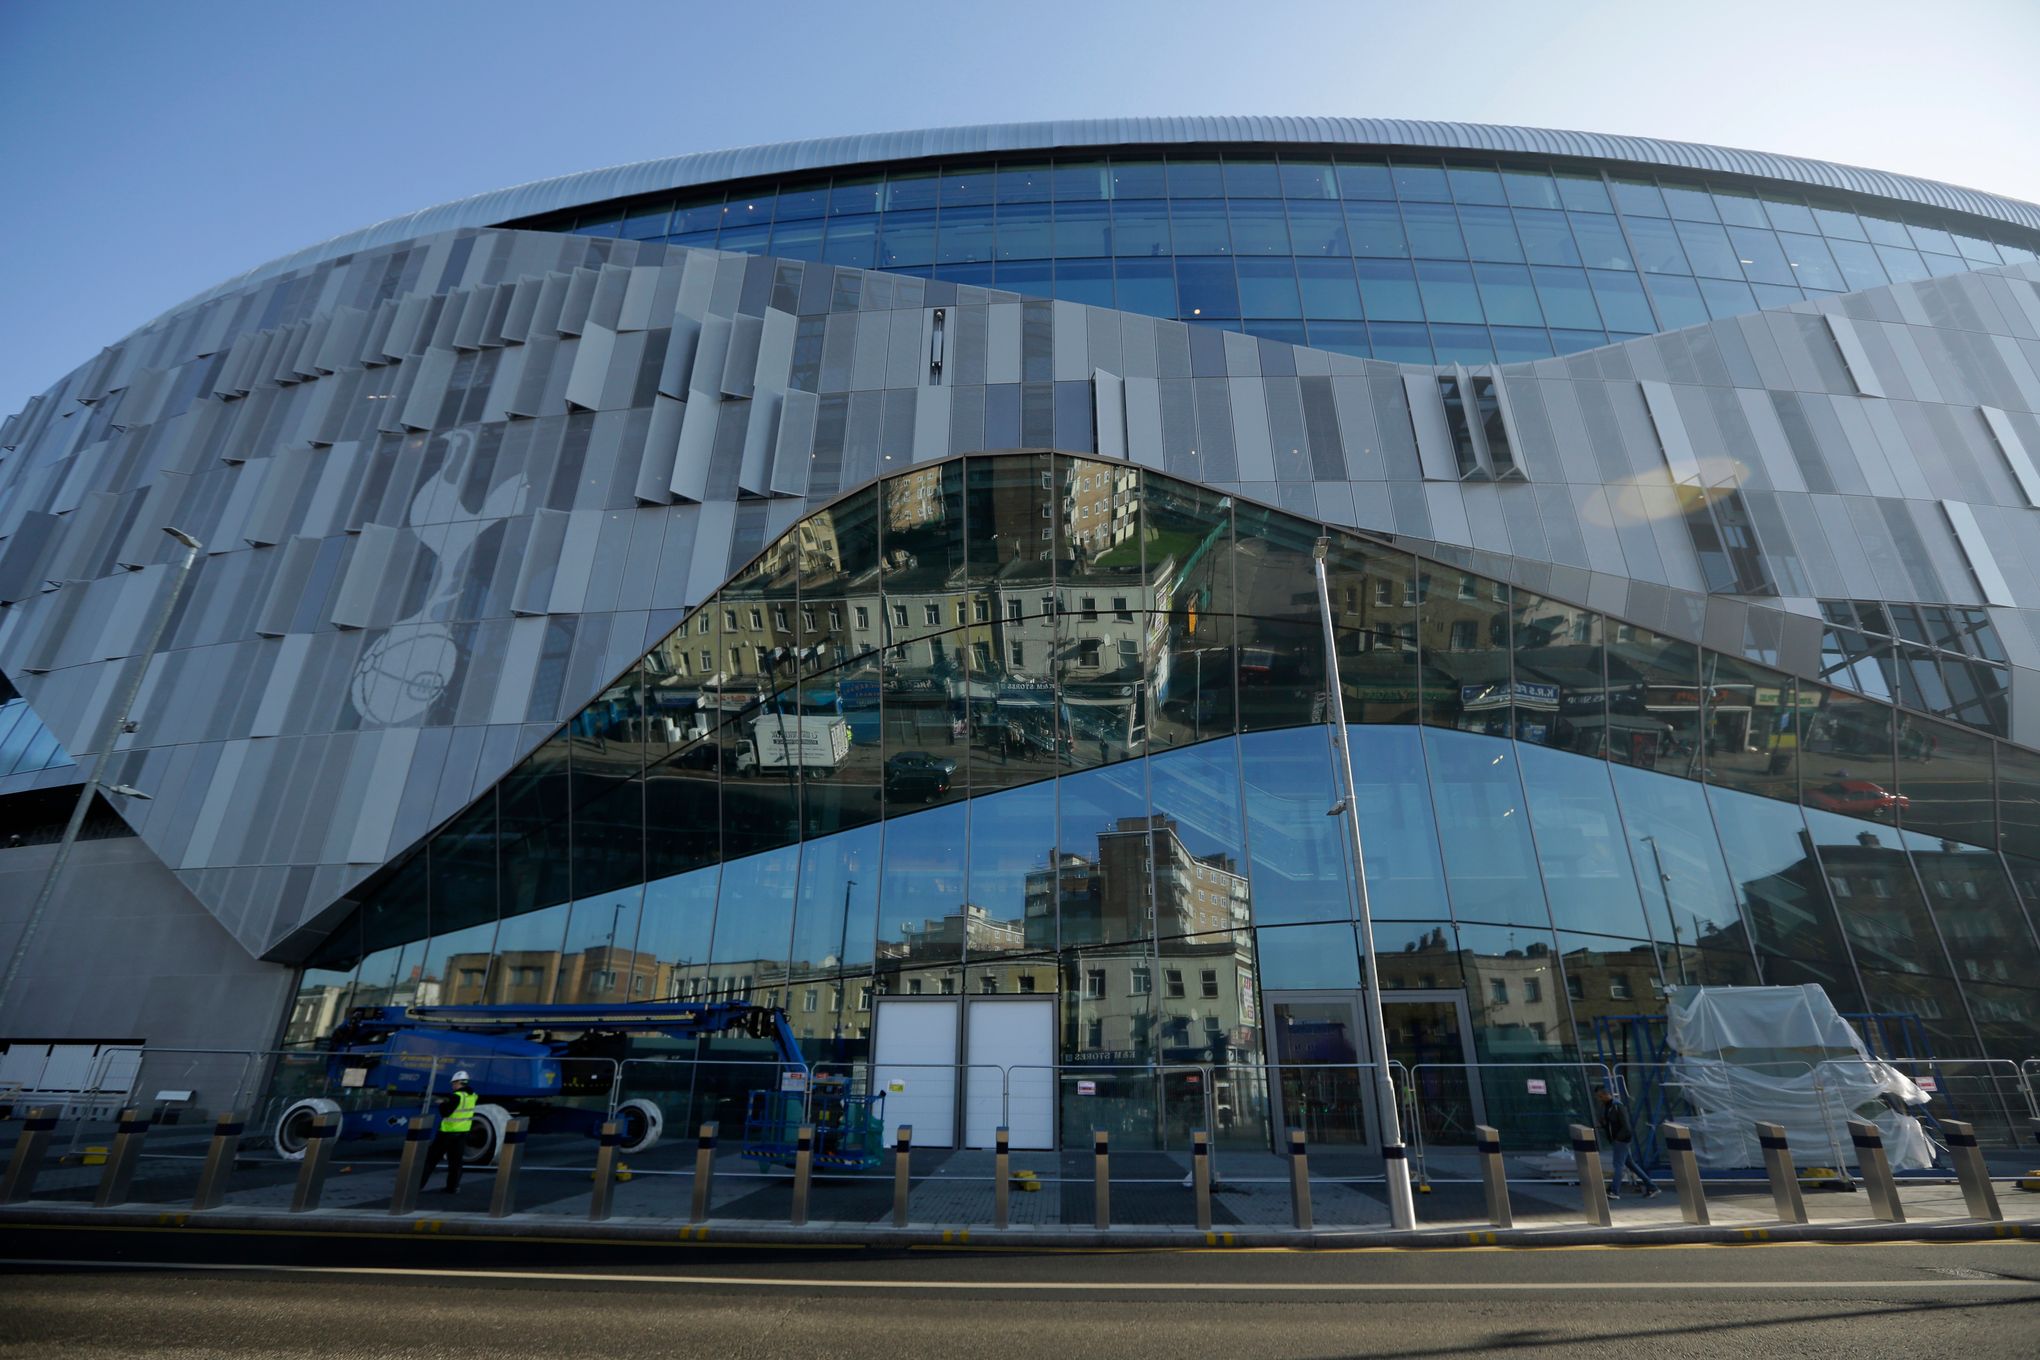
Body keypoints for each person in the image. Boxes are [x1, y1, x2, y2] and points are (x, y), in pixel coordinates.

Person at [420, 1070, 479, 1194]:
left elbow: (446, 1113)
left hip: (447, 1133)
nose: (453, 1086)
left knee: (431, 1160)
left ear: (459, 1082)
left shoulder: (456, 1096)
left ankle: (417, 1185)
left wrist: (442, 1104)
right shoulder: (473, 1095)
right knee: (456, 1162)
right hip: (462, 1132)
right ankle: (452, 1187)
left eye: (454, 1083)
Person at [1595, 1086, 1659, 1199]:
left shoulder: (1617, 1106)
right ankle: (1652, 1186)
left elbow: (1626, 1126)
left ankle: (1614, 1191)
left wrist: (1618, 1138)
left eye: (1601, 1096)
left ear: (1607, 1094)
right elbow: (1610, 1123)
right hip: (1617, 1139)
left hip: (1621, 1140)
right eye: (1598, 1096)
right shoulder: (1606, 1106)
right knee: (1631, 1164)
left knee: (1618, 1165)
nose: (1600, 1099)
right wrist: (1603, 1125)